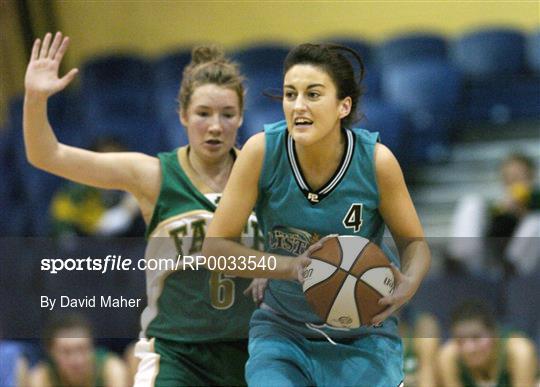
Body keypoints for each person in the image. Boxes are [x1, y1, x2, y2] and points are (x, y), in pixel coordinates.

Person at [24, 31, 261, 386]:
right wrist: (35, 98)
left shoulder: (265, 176)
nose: (215, 126)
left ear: (241, 117)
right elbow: (46, 155)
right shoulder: (151, 174)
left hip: (250, 349)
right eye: (203, 113)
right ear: (182, 115)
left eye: (227, 113)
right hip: (179, 354)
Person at [204, 43, 431, 386]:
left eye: (313, 94)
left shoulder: (376, 162)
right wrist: (286, 267)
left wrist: (410, 283)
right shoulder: (261, 152)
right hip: (283, 333)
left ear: (343, 105)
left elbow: (415, 243)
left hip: (364, 336)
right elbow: (215, 249)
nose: (298, 106)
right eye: (290, 94)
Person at [437, 300, 538, 387]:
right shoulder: (448, 356)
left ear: (495, 333)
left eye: (476, 338)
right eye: (460, 341)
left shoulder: (519, 351)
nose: (469, 349)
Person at [28, 314, 128, 387]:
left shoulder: (111, 368)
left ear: (92, 347)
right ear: (51, 353)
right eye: (66, 352)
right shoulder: (41, 376)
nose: (76, 360)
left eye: (82, 349)